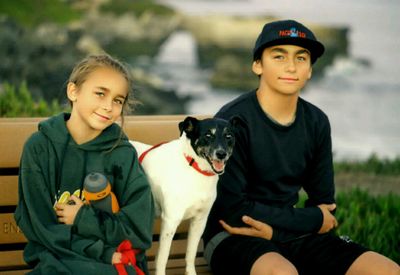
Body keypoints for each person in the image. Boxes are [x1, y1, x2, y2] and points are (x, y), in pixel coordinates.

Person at [203, 20, 400, 275]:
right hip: (233, 234)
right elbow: (234, 209)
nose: (291, 66)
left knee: (386, 270)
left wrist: (278, 231)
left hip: (291, 234)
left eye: (301, 57)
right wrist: (313, 219)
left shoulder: (316, 121)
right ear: (258, 65)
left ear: (309, 70)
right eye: (279, 56)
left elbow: (326, 208)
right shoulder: (233, 121)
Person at [14, 54, 155, 274]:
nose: (108, 107)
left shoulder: (122, 154)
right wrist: (101, 251)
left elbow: (139, 230)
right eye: (100, 94)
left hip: (114, 264)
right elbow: (42, 227)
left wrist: (83, 218)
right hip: (58, 259)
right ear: (73, 91)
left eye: (118, 100)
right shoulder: (40, 148)